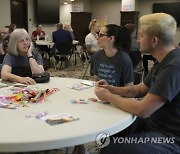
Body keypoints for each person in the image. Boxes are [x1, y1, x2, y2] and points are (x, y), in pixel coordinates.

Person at [95, 13, 180, 153]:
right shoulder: (164, 60)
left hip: (169, 137)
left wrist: (108, 96)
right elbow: (140, 89)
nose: (137, 40)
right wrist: (111, 89)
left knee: (119, 149)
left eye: (140, 36)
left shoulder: (173, 66)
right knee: (109, 136)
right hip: (155, 124)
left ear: (154, 41)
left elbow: (143, 110)